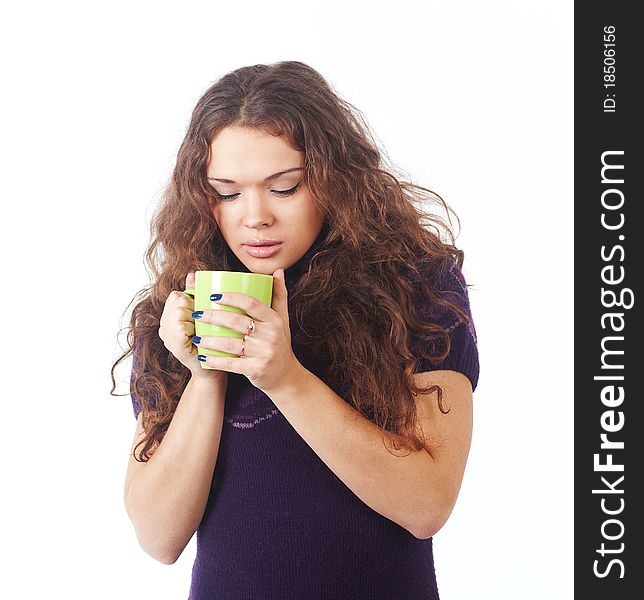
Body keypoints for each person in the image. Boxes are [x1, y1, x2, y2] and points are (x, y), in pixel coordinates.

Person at [112, 60, 479, 600]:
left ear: (334, 181)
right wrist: (206, 373)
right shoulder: (174, 310)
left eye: (284, 187)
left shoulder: (417, 288)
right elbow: (159, 538)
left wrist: (285, 378)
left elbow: (427, 506)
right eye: (227, 192)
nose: (254, 216)